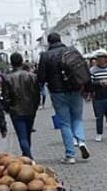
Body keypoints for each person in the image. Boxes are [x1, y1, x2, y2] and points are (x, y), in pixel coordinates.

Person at [36, 32, 91, 163]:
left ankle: (70, 155)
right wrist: (88, 88)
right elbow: (84, 70)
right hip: (75, 89)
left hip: (57, 92)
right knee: (77, 118)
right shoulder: (72, 50)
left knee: (65, 123)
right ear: (60, 40)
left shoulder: (45, 56)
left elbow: (41, 78)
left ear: (49, 42)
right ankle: (81, 142)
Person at [0, 53, 41, 159]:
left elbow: (6, 96)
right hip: (30, 109)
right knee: (27, 134)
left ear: (11, 63)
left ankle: (29, 157)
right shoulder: (32, 76)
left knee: (22, 136)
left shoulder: (8, 78)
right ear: (22, 61)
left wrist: (7, 108)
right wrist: (35, 106)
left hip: (16, 110)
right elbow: (37, 94)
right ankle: (27, 155)